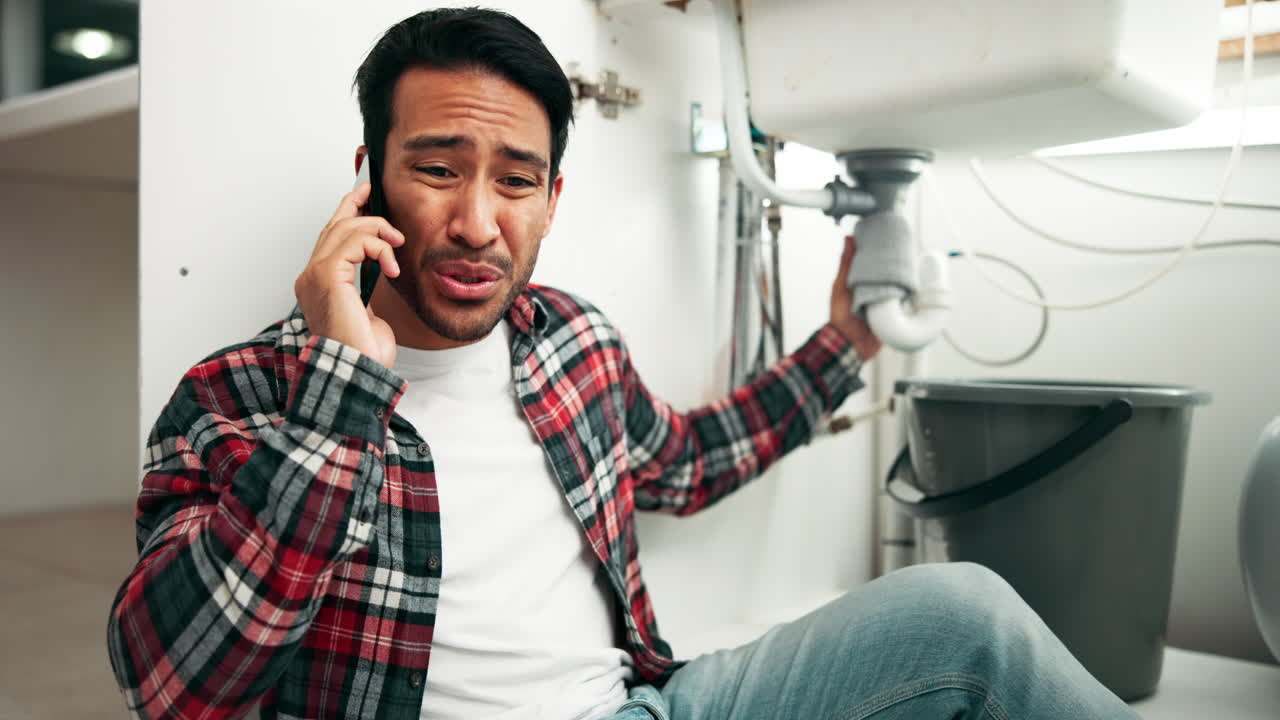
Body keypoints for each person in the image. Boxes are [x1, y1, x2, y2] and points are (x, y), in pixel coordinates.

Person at [107, 8, 1140, 720]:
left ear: (552, 201)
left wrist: (848, 344)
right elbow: (175, 687)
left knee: (962, 614)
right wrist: (338, 398)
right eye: (435, 170)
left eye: (516, 180)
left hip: (644, 705)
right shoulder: (237, 394)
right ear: (368, 178)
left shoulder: (571, 343)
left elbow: (688, 460)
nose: (477, 222)